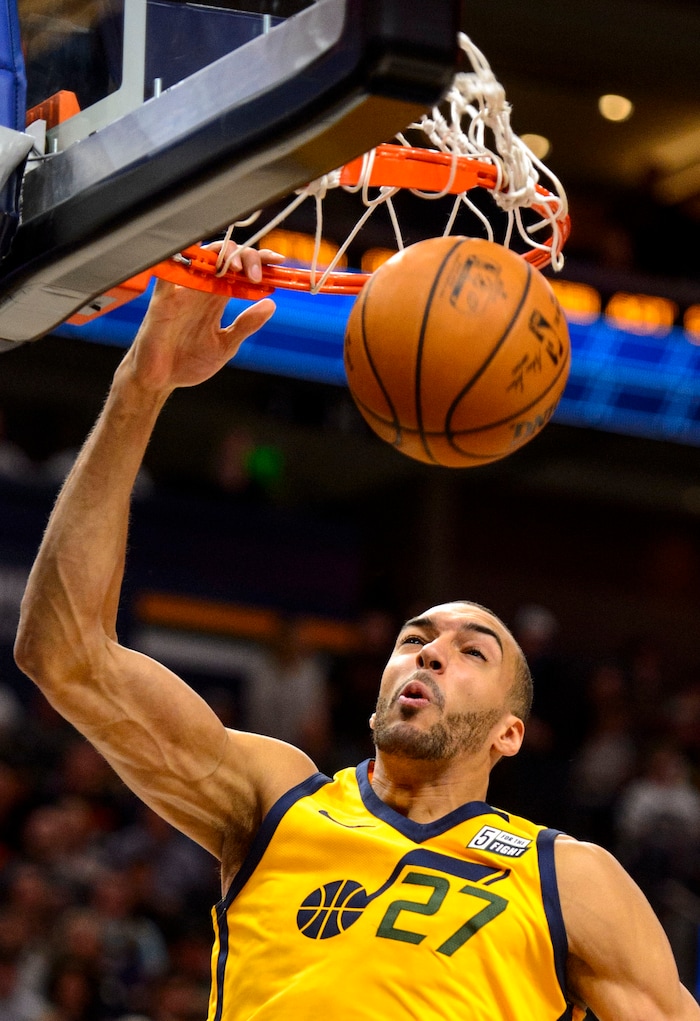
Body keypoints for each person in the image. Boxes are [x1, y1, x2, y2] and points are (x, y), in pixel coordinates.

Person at [13, 243, 700, 1021]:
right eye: (414, 639)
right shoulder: (276, 800)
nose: (431, 651)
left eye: (472, 650)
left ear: (509, 733)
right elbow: (64, 653)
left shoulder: (567, 878)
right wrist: (142, 385)